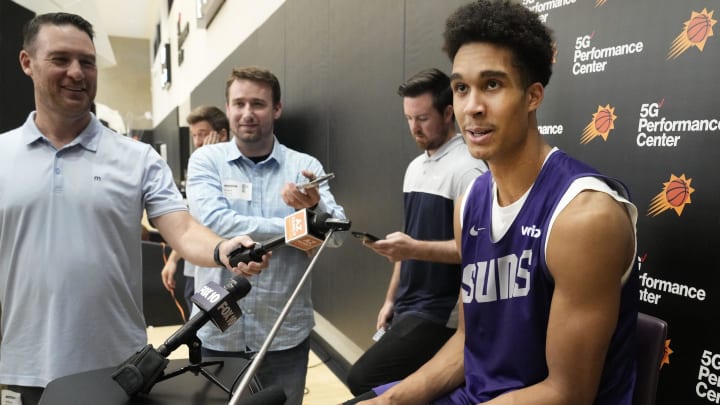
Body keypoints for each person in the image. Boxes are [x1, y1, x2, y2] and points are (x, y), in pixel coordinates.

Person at [348, 1, 639, 404]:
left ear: (533, 96)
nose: (472, 107)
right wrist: (392, 400)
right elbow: (470, 344)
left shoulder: (585, 216)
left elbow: (567, 392)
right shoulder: (470, 202)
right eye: (462, 88)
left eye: (492, 85)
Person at [0, 13, 268, 405]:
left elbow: (182, 228)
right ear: (27, 62)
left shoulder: (137, 158)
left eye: (87, 62)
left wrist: (220, 249)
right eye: (60, 59)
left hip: (117, 364)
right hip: (20, 363)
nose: (77, 72)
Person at [185, 66, 346, 405]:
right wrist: (301, 224)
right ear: (227, 108)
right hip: (218, 330)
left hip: (283, 332)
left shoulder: (306, 167)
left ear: (276, 109)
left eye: (257, 104)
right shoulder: (205, 161)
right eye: (238, 103)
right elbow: (214, 221)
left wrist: (314, 210)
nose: (247, 113)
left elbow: (336, 235)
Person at [345, 68, 487, 395]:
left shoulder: (469, 169)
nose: (414, 127)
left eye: (422, 118)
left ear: (448, 112)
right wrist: (389, 300)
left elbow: (475, 252)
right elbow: (408, 242)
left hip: (443, 314)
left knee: (361, 379)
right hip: (409, 306)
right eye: (408, 119)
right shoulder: (414, 168)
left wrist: (412, 249)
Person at [161, 105, 230, 312]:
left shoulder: (232, 170)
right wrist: (173, 259)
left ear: (223, 134)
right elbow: (191, 223)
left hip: (223, 268)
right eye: (194, 136)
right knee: (197, 330)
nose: (198, 142)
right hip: (196, 267)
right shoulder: (198, 170)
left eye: (203, 134)